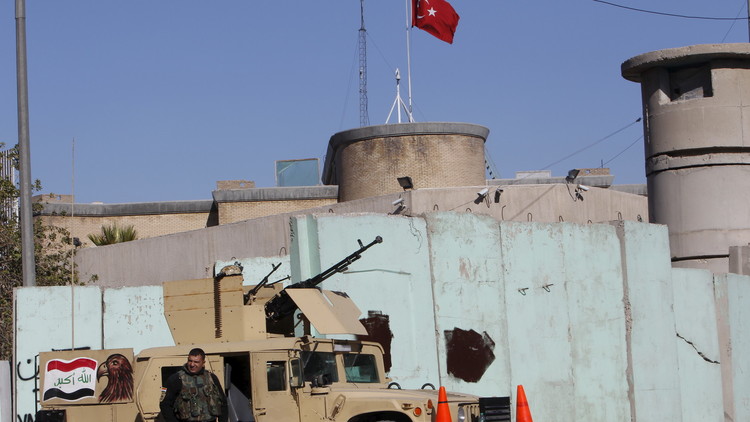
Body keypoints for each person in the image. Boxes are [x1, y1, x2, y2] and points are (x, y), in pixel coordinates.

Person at [160, 348, 228, 422]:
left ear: (203, 363)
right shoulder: (175, 379)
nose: (192, 364)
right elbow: (164, 404)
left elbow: (223, 402)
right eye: (190, 361)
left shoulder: (212, 378)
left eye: (196, 362)